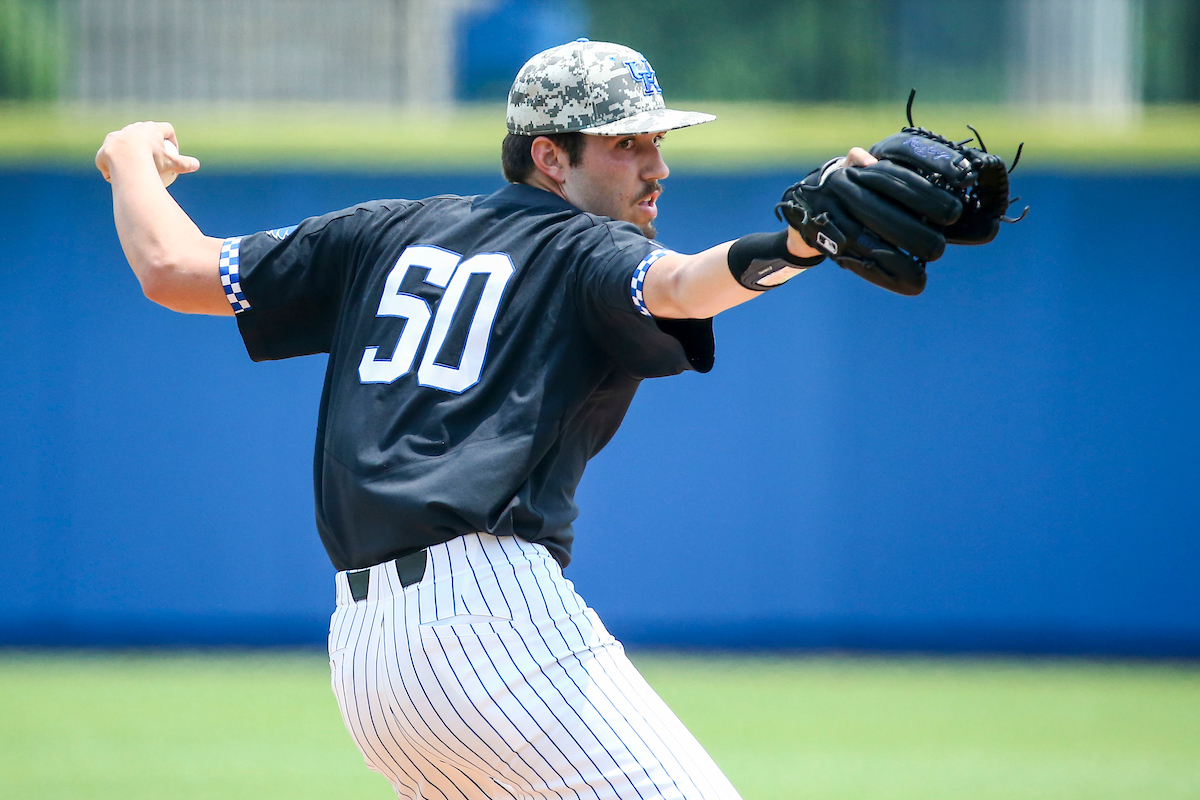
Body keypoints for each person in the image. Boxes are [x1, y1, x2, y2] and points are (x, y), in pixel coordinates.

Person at [96, 39, 878, 800]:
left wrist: (129, 159)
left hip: (371, 662)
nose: (656, 166)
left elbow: (171, 267)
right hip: (491, 623)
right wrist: (799, 245)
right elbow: (680, 285)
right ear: (549, 157)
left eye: (657, 141)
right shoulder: (587, 247)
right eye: (626, 142)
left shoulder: (382, 231)